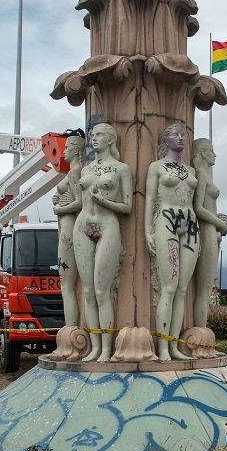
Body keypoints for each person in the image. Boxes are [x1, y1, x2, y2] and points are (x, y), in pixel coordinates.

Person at [72, 123, 132, 361]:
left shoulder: (121, 169)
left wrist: (104, 201)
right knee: (88, 292)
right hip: (83, 225)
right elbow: (79, 201)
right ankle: (95, 346)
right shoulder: (86, 169)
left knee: (101, 290)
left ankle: (106, 348)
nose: (93, 139)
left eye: (99, 136)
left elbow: (127, 206)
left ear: (110, 140)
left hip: (108, 224)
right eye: (92, 135)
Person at [145, 124, 199, 360]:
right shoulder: (156, 167)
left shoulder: (191, 170)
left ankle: (174, 346)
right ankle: (163, 347)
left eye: (183, 135)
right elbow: (149, 199)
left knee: (181, 289)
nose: (180, 139)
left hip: (190, 223)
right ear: (165, 140)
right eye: (175, 135)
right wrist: (147, 230)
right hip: (166, 220)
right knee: (168, 287)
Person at [191, 138, 227, 328]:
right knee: (204, 290)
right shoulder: (201, 175)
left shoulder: (204, 174)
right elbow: (198, 208)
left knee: (205, 290)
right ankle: (201, 333)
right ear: (203, 153)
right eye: (211, 151)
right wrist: (220, 224)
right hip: (206, 230)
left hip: (211, 230)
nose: (214, 154)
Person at [51, 134, 85, 327]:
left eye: (67, 147)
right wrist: (58, 201)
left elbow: (80, 202)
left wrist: (60, 208)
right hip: (66, 223)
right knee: (67, 285)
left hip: (69, 225)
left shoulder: (75, 172)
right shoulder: (72, 172)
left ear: (76, 150)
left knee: (67, 285)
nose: (63, 151)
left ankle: (71, 328)